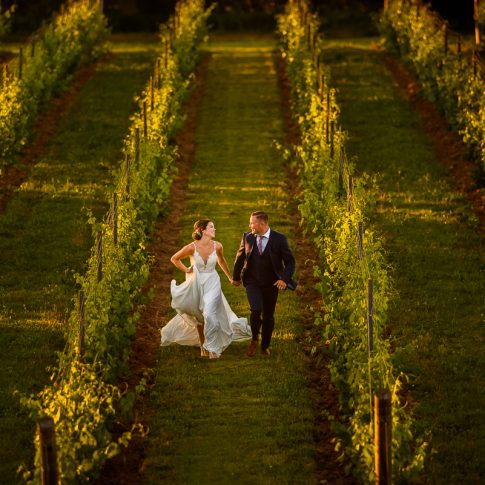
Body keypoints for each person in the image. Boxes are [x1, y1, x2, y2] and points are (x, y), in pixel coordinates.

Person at [161, 219, 252, 359]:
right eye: (211, 227)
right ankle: (203, 346)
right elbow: (174, 258)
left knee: (209, 313)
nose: (214, 229)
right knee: (199, 317)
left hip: (212, 282)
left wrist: (230, 277)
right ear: (202, 230)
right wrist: (187, 269)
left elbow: (221, 261)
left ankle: (213, 348)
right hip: (196, 283)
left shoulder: (218, 246)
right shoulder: (192, 247)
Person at [233, 211, 296, 357]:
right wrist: (236, 278)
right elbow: (240, 258)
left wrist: (284, 279)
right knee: (256, 310)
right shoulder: (248, 237)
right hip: (252, 281)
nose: (250, 225)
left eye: (252, 223)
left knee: (268, 316)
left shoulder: (279, 239)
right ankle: (254, 339)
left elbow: (290, 262)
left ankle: (265, 345)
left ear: (262, 224)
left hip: (271, 284)